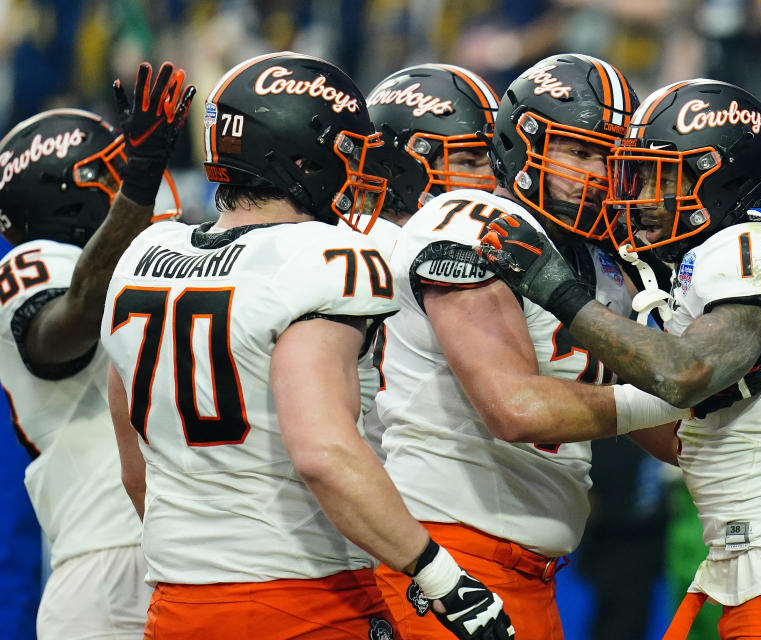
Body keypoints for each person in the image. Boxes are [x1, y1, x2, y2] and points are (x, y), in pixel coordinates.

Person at [99, 51, 513, 640]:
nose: (359, 172)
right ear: (302, 156)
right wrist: (442, 578)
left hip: (175, 606)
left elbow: (135, 467)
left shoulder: (142, 255)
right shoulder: (327, 258)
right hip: (304, 602)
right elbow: (324, 452)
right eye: (349, 151)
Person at [372, 53, 761, 640]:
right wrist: (682, 392)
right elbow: (514, 409)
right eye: (579, 151)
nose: (600, 172)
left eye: (611, 155)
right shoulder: (470, 222)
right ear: (520, 144)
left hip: (528, 569)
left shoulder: (602, 260)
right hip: (450, 558)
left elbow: (666, 434)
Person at [477, 78, 761, 639]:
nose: (636, 195)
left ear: (718, 176)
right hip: (750, 565)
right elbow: (676, 416)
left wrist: (555, 289)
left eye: (656, 176)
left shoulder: (754, 248)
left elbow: (684, 373)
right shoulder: (695, 266)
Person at [0, 61, 194, 639]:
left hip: (184, 547)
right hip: (105, 560)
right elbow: (78, 315)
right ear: (67, 202)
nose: (130, 191)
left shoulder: (149, 258)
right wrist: (137, 182)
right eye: (109, 179)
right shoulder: (28, 270)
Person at [358, 62, 500, 459]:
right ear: (398, 166)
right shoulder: (423, 252)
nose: (490, 181)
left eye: (492, 162)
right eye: (469, 163)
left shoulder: (344, 236)